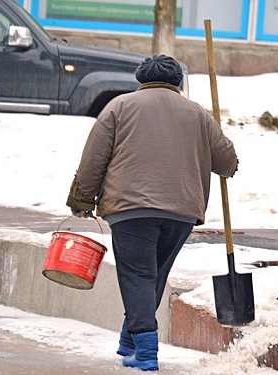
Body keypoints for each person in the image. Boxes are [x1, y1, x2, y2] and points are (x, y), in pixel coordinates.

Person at [65, 55, 238, 371]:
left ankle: (146, 351)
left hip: (131, 209)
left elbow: (94, 158)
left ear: (141, 79)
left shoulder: (120, 106)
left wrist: (81, 199)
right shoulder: (198, 113)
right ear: (177, 83)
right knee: (152, 276)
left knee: (139, 276)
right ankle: (129, 341)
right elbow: (227, 164)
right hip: (182, 211)